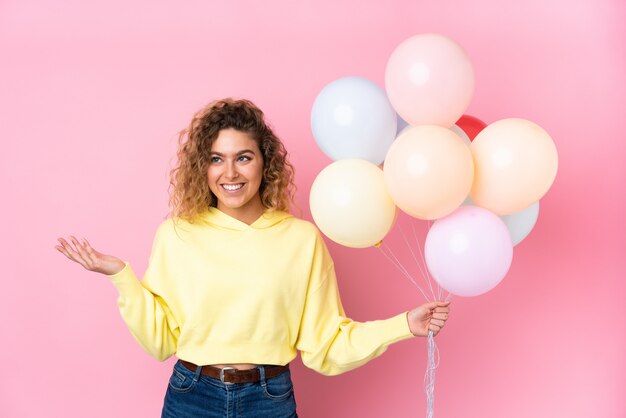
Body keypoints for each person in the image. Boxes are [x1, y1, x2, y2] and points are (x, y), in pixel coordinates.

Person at [55, 98, 451, 418]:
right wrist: (121, 275)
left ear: (265, 162)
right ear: (203, 167)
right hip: (192, 395)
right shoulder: (177, 234)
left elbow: (326, 344)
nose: (230, 172)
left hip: (270, 399)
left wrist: (403, 325)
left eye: (243, 157)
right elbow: (160, 342)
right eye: (216, 158)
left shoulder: (301, 239)